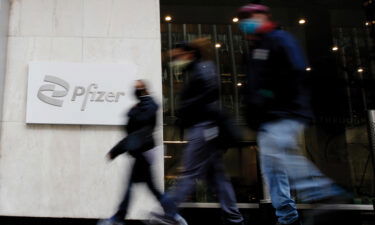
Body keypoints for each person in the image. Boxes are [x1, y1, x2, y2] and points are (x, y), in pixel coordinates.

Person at [237, 4, 350, 225]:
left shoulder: (279, 39)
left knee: (280, 155)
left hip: (284, 111)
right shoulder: (256, 48)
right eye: (244, 18)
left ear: (265, 16)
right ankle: (287, 216)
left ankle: (323, 194)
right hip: (268, 117)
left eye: (252, 16)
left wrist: (269, 96)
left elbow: (295, 71)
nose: (248, 21)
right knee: (272, 167)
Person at [150, 38, 245, 225]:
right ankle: (235, 218)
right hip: (206, 127)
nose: (176, 60)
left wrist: (187, 108)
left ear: (190, 54)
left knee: (189, 172)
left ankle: (169, 213)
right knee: (217, 177)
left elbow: (212, 89)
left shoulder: (203, 68)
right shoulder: (195, 70)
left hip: (205, 127)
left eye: (179, 56)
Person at [98, 80, 162, 225]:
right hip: (143, 153)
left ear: (143, 90)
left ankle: (119, 218)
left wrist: (115, 151)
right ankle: (173, 213)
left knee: (133, 187)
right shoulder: (145, 106)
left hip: (143, 153)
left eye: (137, 88)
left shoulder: (146, 108)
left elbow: (134, 133)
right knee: (150, 188)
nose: (135, 90)